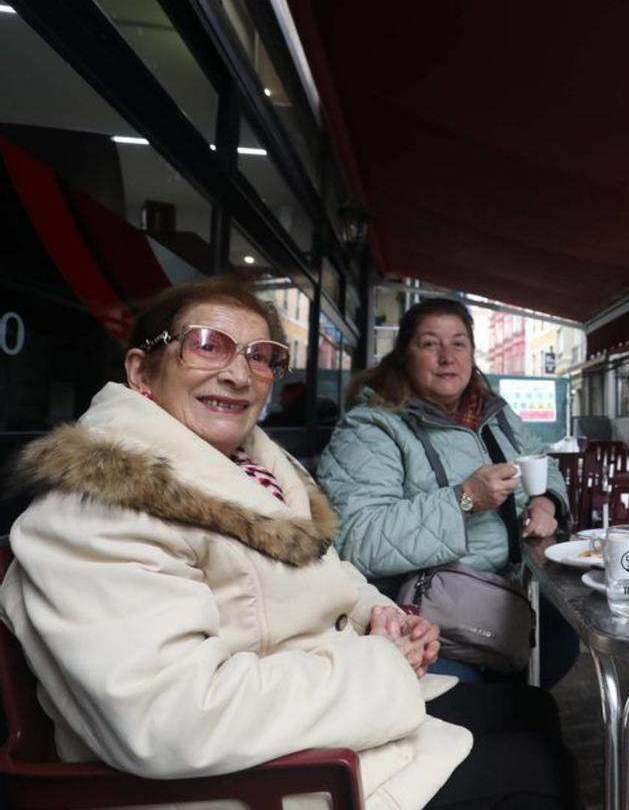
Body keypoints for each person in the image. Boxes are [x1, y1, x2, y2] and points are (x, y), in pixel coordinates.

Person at [0, 278, 577, 809]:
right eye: (206, 345)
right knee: (536, 768)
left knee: (533, 710)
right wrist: (382, 658)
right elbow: (173, 718)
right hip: (262, 779)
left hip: (309, 711)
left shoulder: (256, 472)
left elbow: (326, 571)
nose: (237, 372)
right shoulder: (99, 501)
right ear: (141, 372)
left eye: (259, 355)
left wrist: (383, 614)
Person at [318, 298, 579, 686]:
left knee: (562, 641)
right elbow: (358, 537)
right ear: (404, 355)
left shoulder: (496, 414)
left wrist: (545, 500)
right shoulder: (372, 428)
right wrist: (464, 499)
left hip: (509, 595)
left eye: (458, 344)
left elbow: (543, 462)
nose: (446, 357)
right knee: (494, 708)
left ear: (472, 354)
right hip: (431, 619)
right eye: (429, 344)